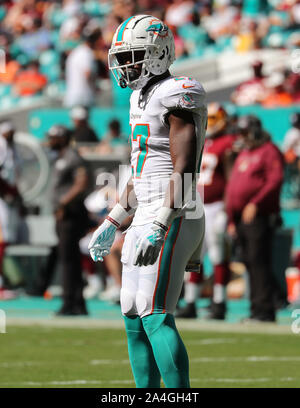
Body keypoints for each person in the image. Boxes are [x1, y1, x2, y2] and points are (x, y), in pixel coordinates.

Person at [88, 15, 207, 388]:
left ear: (158, 54)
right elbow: (142, 172)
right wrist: (113, 221)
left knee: (154, 312)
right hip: (149, 207)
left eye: (134, 57)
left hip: (175, 209)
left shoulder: (177, 91)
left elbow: (183, 167)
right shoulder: (142, 95)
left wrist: (160, 222)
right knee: (131, 312)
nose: (126, 66)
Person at [176, 103, 236, 320]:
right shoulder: (203, 141)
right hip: (197, 206)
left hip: (216, 206)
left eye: (213, 118)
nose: (209, 123)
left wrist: (227, 211)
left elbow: (232, 180)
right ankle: (191, 302)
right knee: (194, 256)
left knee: (219, 255)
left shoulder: (228, 143)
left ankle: (219, 303)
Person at [226, 115, 284, 322]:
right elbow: (234, 187)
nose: (242, 136)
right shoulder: (245, 152)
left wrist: (256, 203)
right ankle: (256, 308)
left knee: (260, 263)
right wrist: (232, 219)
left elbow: (275, 180)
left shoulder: (269, 151)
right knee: (249, 262)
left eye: (245, 132)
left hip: (259, 215)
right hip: (241, 217)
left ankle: (264, 310)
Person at [48, 125, 90, 316]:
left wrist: (63, 204)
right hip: (64, 215)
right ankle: (78, 303)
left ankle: (69, 302)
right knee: (70, 259)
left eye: (54, 137)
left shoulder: (73, 157)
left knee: (68, 260)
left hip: (71, 214)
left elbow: (81, 183)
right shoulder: (60, 157)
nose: (50, 141)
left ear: (63, 138)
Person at [0, 120, 25, 300]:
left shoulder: (12, 149)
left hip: (9, 199)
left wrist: (17, 198)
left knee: (7, 239)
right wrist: (6, 192)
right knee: (2, 239)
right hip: (2, 198)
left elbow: (14, 177)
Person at [64, 20, 102, 108]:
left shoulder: (77, 51)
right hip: (82, 98)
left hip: (74, 97)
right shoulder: (86, 53)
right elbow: (87, 74)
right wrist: (96, 86)